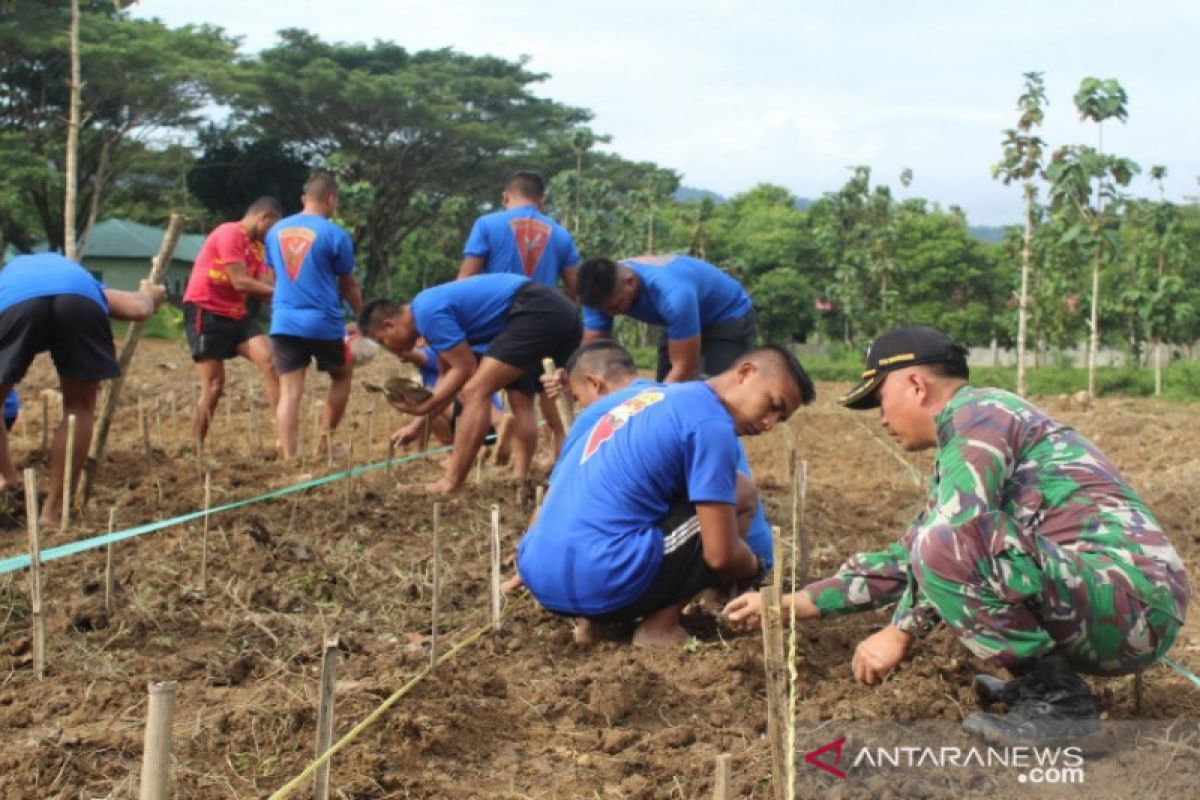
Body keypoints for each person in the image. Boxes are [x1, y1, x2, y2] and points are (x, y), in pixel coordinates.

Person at [723, 325, 1190, 745]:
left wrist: (900, 631)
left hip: (1133, 602)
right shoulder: (966, 441)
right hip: (1109, 602)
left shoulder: (979, 415)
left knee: (947, 541)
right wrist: (799, 603)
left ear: (915, 385)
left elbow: (950, 541)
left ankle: (1061, 705)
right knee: (941, 543)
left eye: (879, 399)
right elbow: (911, 557)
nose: (881, 419)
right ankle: (1041, 688)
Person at [516, 347, 815, 647]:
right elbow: (720, 554)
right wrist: (752, 566)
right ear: (746, 372)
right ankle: (659, 628)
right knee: (741, 496)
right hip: (599, 577)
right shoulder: (711, 423)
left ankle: (595, 626)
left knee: (630, 507)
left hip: (538, 574)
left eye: (780, 419)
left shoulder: (647, 400)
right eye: (773, 405)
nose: (769, 424)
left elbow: (551, 501)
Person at [545, 339, 777, 570]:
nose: (582, 407)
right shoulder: (689, 404)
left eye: (578, 399)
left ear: (595, 384)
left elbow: (556, 501)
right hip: (757, 552)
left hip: (725, 554)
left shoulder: (598, 416)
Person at [358, 272, 581, 493]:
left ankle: (452, 481)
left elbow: (465, 369)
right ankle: (555, 480)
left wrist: (425, 405)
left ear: (389, 325)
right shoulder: (428, 312)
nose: (387, 348)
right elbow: (445, 378)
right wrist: (418, 425)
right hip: (557, 310)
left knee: (474, 391)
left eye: (382, 341)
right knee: (534, 401)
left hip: (532, 310)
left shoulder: (425, 312)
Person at [0, 253, 165, 525]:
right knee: (79, 408)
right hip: (80, 302)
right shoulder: (81, 278)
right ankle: (54, 512)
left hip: (15, 305)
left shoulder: (9, 280)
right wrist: (150, 294)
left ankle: (8, 478)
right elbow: (139, 309)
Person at [458, 169, 581, 460]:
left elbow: (466, 280)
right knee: (554, 404)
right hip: (553, 321)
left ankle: (520, 472)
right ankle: (562, 470)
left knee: (521, 403)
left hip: (507, 324)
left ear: (505, 196)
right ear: (543, 200)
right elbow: (575, 288)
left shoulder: (487, 224)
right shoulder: (560, 234)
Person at [265, 173, 363, 460]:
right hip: (324, 323)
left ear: (303, 199)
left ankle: (289, 457)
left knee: (290, 391)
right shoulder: (336, 235)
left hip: (283, 321)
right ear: (331, 199)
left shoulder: (274, 232)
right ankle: (324, 445)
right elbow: (347, 285)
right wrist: (363, 315)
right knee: (342, 374)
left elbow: (271, 276)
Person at [182, 197, 282, 446]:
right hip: (206, 309)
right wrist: (281, 294)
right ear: (264, 218)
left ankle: (284, 438)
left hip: (236, 313)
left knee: (272, 361)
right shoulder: (230, 232)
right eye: (273, 227)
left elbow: (266, 288)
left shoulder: (259, 248)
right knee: (214, 385)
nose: (273, 234)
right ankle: (192, 445)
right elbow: (240, 281)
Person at [578, 254, 755, 383]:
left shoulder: (672, 294)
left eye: (616, 306)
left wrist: (650, 406)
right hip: (680, 321)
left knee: (715, 395)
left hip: (726, 316)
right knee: (665, 389)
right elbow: (592, 354)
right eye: (604, 310)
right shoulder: (597, 295)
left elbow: (685, 368)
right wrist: (573, 377)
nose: (610, 314)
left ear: (630, 282)